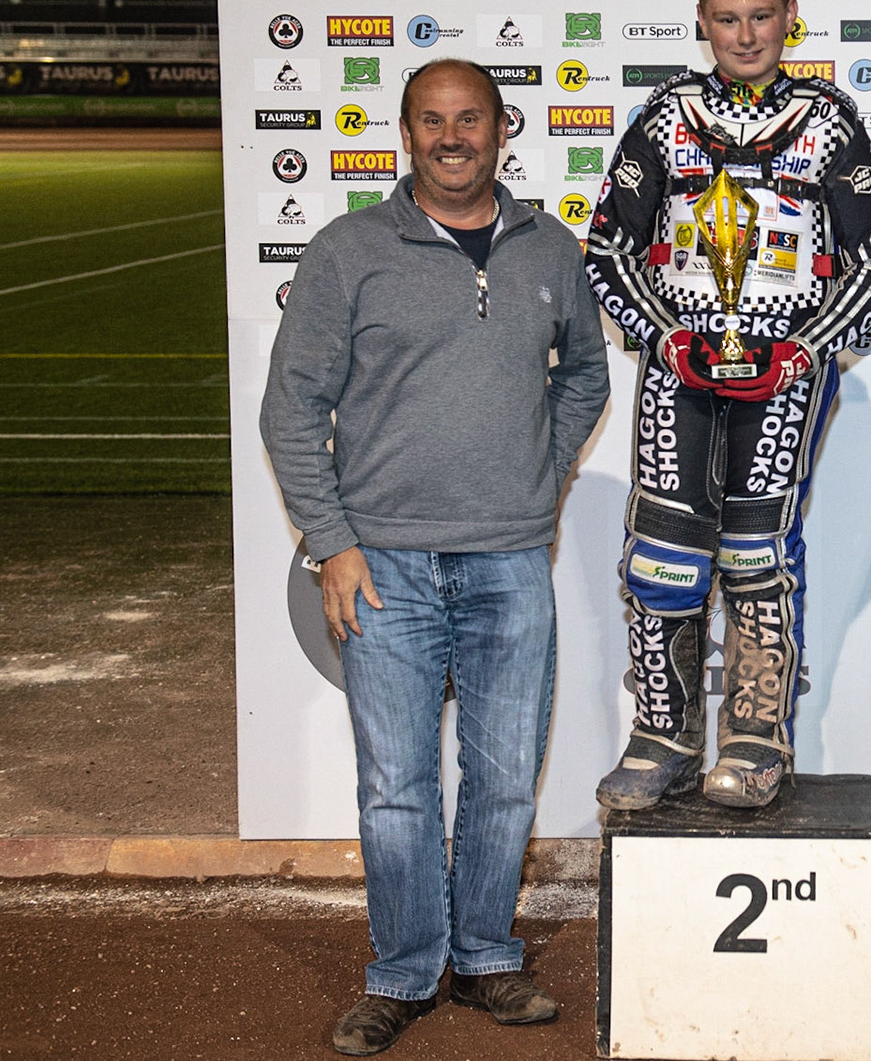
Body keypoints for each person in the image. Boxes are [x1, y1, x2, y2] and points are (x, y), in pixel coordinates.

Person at [261, 58, 610, 1053]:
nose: (452, 136)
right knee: (398, 787)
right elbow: (292, 408)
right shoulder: (346, 252)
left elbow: (582, 377)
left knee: (504, 778)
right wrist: (331, 541)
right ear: (405, 133)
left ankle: (489, 956)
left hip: (508, 564)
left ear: (504, 129)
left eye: (471, 119)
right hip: (386, 568)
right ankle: (404, 970)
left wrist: (536, 489)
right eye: (431, 120)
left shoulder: (552, 249)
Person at [585, 0, 871, 811]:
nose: (747, 33)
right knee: (662, 560)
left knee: (757, 554)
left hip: (785, 369)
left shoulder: (831, 118)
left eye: (762, 15)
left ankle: (759, 741)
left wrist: (802, 349)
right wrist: (664, 336)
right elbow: (607, 247)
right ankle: (662, 735)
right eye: (728, 19)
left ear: (790, 17)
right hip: (678, 369)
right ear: (701, 23)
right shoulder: (666, 114)